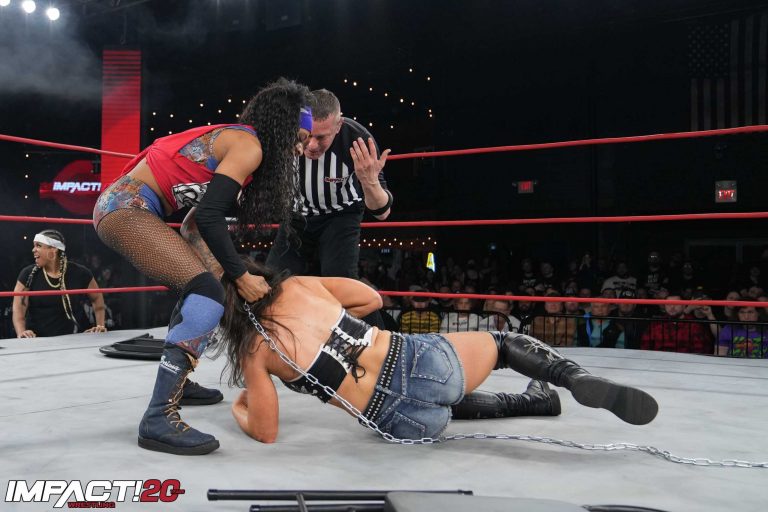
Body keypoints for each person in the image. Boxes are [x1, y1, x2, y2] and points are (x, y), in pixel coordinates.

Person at [92, 78, 312, 456]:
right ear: (282, 126)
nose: (301, 148)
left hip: (130, 208)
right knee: (207, 290)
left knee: (204, 284)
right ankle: (158, 417)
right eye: (300, 137)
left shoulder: (239, 144)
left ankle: (179, 383)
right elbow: (209, 218)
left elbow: (195, 221)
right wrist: (239, 277)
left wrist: (223, 272)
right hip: (124, 207)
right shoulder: (249, 146)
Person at [216, 259, 658, 444]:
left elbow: (266, 432)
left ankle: (535, 401)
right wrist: (332, 312)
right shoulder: (298, 286)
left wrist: (241, 408)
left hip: (400, 424)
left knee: (438, 403)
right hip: (417, 363)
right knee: (502, 345)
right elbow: (371, 298)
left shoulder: (254, 351)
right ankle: (573, 377)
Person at [265, 89, 392, 328]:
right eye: (307, 135)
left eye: (321, 137)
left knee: (343, 284)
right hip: (297, 215)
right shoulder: (284, 133)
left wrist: (370, 182)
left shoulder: (358, 140)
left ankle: (383, 341)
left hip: (340, 215)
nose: (312, 145)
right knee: (271, 281)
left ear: (338, 126)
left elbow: (382, 212)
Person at [12, 229, 107, 338]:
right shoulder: (28, 274)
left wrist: (100, 325)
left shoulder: (80, 272)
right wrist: (21, 332)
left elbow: (97, 298)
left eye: (38, 246)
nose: (33, 250)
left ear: (53, 249)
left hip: (75, 338)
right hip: (38, 340)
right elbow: (18, 309)